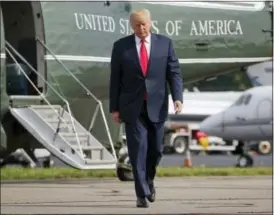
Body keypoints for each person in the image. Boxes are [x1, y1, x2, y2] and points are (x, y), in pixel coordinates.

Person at [109, 8, 183, 208]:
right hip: (132, 107)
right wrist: (114, 108)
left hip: (157, 105)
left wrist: (178, 97)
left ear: (150, 23)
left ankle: (149, 180)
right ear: (131, 26)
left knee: (156, 150)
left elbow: (173, 72)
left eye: (144, 24)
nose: (141, 28)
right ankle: (141, 194)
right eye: (136, 25)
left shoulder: (164, 44)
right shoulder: (121, 47)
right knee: (137, 150)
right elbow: (115, 79)